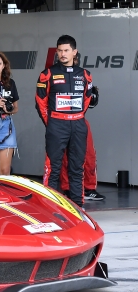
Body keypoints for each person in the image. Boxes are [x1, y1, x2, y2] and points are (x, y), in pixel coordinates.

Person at [36, 35, 94, 207]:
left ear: (74, 52)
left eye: (66, 50)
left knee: (77, 168)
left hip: (78, 124)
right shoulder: (47, 74)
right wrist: (52, 122)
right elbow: (40, 102)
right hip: (56, 124)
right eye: (60, 50)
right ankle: (49, 207)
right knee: (53, 168)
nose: (63, 54)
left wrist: (76, 117)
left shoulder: (85, 75)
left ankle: (77, 207)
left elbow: (86, 100)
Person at [59, 54, 104, 201]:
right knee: (66, 157)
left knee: (89, 155)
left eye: (75, 59)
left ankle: (89, 188)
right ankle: (67, 189)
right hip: (62, 121)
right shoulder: (54, 76)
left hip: (80, 120)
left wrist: (92, 94)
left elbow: (91, 102)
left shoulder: (83, 76)